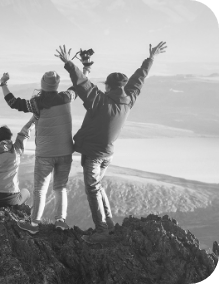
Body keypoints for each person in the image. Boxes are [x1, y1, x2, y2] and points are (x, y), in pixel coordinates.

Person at [55, 42, 167, 243]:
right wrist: (151, 59)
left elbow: (81, 84)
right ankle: (109, 224)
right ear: (122, 86)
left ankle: (102, 231)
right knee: (98, 187)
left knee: (92, 190)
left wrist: (68, 63)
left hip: (95, 156)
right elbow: (139, 79)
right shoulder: (128, 99)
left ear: (108, 85)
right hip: (108, 155)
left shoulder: (100, 101)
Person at [1, 70, 82, 234]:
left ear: (43, 84)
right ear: (57, 85)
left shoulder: (36, 103)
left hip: (45, 153)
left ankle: (34, 224)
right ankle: (60, 221)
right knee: (61, 187)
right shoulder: (67, 97)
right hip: (65, 152)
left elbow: (13, 102)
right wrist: (85, 69)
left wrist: (3, 84)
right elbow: (79, 86)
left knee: (40, 190)